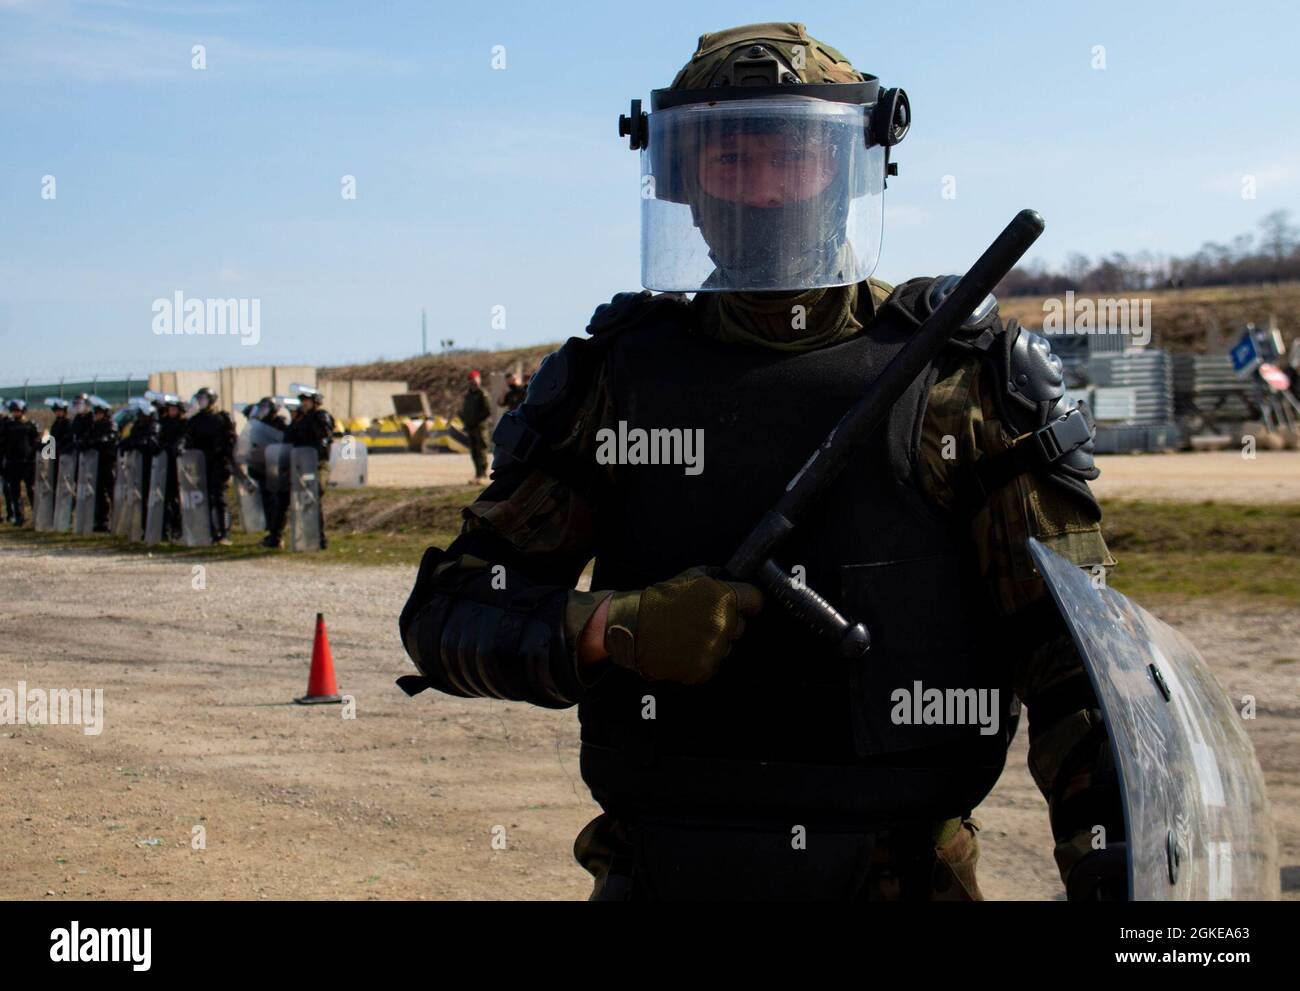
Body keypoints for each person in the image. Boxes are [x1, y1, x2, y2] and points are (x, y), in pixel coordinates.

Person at [397, 23, 1124, 902]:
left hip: (902, 878)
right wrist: (609, 625)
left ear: (849, 171)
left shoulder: (960, 379)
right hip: (658, 875)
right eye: (729, 159)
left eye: (793, 157)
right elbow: (447, 616)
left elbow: (1078, 666)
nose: (764, 189)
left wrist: (1113, 879)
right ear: (681, 182)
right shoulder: (613, 380)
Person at [264, 387, 332, 549]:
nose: (304, 404)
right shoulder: (299, 420)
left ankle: (319, 538)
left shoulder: (320, 416)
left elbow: (323, 441)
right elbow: (289, 442)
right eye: (302, 401)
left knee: (312, 496)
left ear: (315, 402)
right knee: (283, 498)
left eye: (307, 401)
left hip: (316, 464)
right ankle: (275, 536)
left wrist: (314, 455)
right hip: (297, 464)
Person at [183, 387, 236, 545]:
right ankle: (211, 532)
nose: (200, 402)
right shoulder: (195, 420)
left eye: (203, 399)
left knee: (219, 498)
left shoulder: (222, 418)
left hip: (219, 463)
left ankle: (224, 533)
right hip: (201, 463)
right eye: (199, 399)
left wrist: (228, 457)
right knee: (204, 499)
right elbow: (187, 438)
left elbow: (231, 439)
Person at [2, 400, 38, 526]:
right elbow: (2, 444)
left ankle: (37, 515)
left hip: (28, 462)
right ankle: (19, 517)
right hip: (12, 462)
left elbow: (36, 442)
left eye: (17, 411)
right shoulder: (7, 426)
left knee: (31, 490)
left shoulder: (30, 425)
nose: (15, 413)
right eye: (13, 411)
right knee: (14, 492)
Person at [157, 395, 187, 541]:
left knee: (177, 498)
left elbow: (183, 439)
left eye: (174, 409)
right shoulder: (163, 423)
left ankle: (178, 527)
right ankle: (166, 528)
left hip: (178, 466)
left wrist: (177, 446)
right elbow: (159, 439)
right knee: (166, 498)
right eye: (170, 409)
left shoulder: (183, 424)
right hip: (164, 465)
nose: (172, 411)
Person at [87, 398, 119, 532]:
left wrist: (102, 440)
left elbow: (112, 437)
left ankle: (117, 520)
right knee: (99, 493)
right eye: (96, 413)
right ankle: (101, 521)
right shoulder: (94, 426)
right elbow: (89, 437)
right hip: (97, 462)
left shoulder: (111, 424)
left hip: (109, 461)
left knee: (112, 491)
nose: (98, 416)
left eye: (100, 413)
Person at [459, 370, 492, 485]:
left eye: (475, 379)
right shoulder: (468, 395)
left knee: (481, 450)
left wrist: (477, 420)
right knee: (474, 451)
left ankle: (482, 474)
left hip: (480, 427)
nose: (474, 381)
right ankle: (477, 473)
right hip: (470, 427)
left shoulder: (482, 394)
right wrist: (465, 420)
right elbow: (465, 410)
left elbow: (487, 410)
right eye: (471, 379)